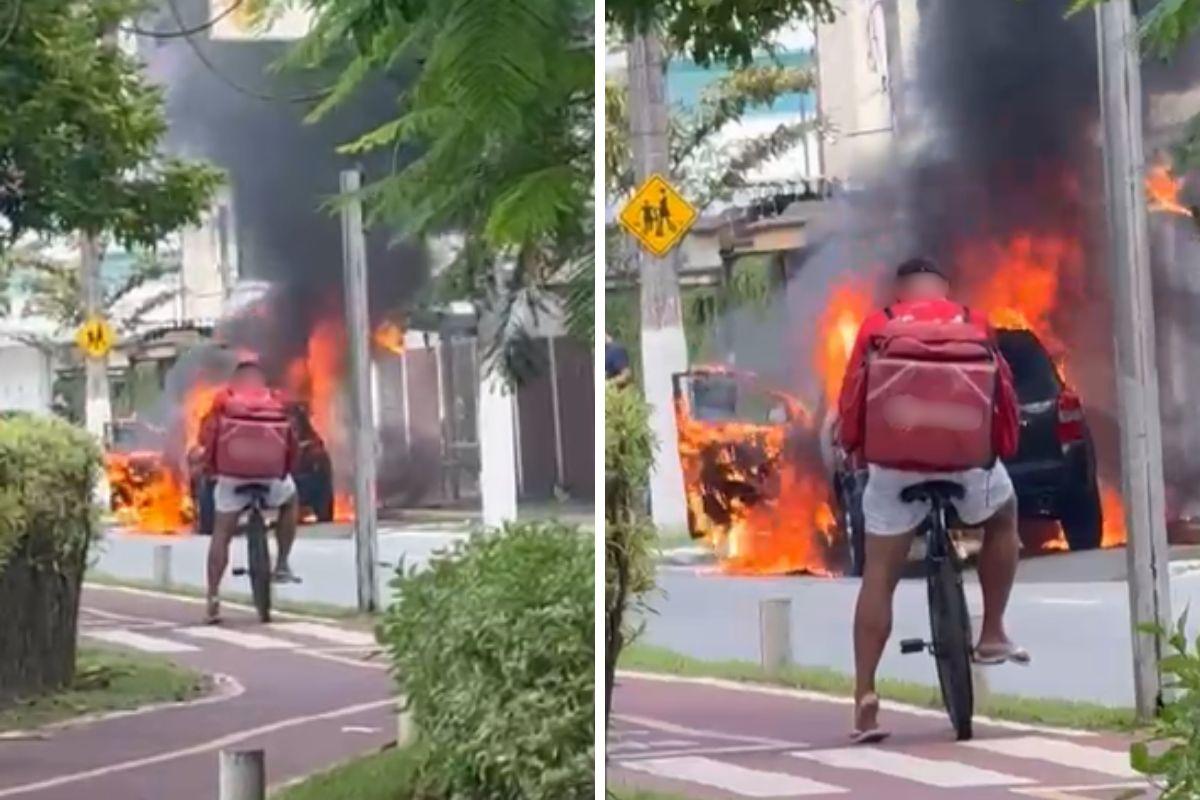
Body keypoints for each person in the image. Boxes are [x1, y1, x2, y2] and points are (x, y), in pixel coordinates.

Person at [837, 256, 1027, 743]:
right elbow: (1001, 397)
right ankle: (992, 633)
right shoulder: (973, 321)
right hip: (967, 462)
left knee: (880, 573)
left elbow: (852, 401)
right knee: (1003, 516)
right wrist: (999, 449)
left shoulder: (878, 325)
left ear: (900, 292)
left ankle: (865, 697)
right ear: (944, 290)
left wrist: (855, 451)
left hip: (895, 465)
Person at [196, 357, 300, 624]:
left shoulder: (223, 400)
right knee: (290, 500)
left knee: (222, 534)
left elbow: (206, 438)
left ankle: (213, 597)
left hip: (232, 477)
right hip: (271, 476)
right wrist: (286, 469)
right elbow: (292, 441)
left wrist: (209, 469)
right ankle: (283, 562)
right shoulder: (276, 400)